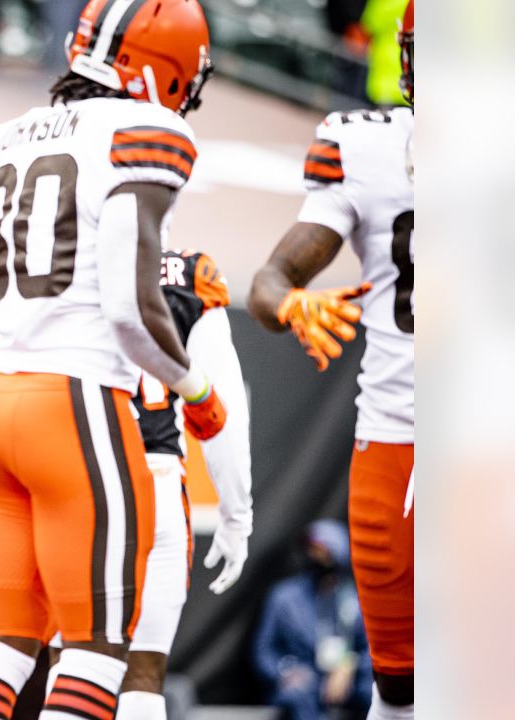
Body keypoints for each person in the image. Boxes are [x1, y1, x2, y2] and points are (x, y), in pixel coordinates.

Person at [0, 1, 227, 717]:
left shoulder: (8, 136)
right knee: (97, 649)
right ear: (162, 70)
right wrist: (195, 389)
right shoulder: (148, 130)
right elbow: (132, 312)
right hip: (77, 402)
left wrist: (10, 388)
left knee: (3, 646)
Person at [248, 2, 413, 717]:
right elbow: (268, 282)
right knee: (400, 688)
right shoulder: (368, 145)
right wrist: (290, 305)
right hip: (397, 438)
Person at [118, 249, 254, 719]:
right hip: (154, 477)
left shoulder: (64, 258)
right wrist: (238, 514)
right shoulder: (188, 275)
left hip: (77, 467)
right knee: (143, 674)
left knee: (66, 661)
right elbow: (223, 414)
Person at [253, 520, 373, 720]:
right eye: (312, 550)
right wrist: (285, 673)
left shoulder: (357, 598)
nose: (316, 557)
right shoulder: (284, 597)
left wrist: (350, 665)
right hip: (303, 677)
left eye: (324, 552)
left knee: (375, 692)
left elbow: (373, 649)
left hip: (346, 677)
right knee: (297, 694)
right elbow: (262, 651)